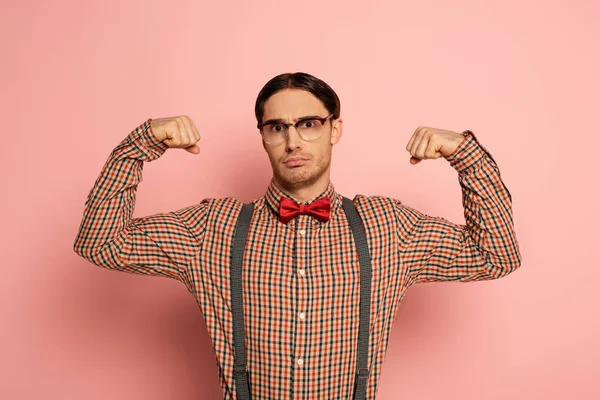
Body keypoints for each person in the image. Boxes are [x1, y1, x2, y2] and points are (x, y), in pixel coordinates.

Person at [73, 72, 521, 399]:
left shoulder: (387, 227)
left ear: (334, 129)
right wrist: (139, 146)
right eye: (277, 127)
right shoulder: (212, 229)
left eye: (309, 123)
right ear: (263, 138)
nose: (293, 141)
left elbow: (496, 256)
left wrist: (466, 155)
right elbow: (101, 242)